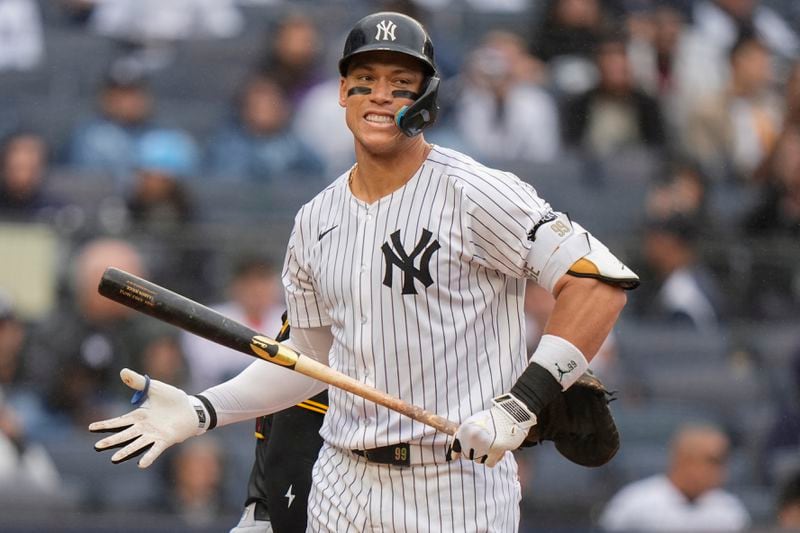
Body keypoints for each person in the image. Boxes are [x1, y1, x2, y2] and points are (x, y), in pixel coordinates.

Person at [90, 12, 638, 532]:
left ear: (427, 96)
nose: (380, 94)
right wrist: (203, 408)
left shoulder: (475, 193)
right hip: (342, 481)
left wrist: (522, 404)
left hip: (455, 486)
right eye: (365, 77)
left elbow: (598, 282)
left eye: (401, 81)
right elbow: (307, 364)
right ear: (341, 91)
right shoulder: (315, 219)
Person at [598, 423, 751, 531]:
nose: (720, 471)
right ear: (684, 459)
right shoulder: (635, 503)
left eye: (722, 462)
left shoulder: (729, 510)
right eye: (712, 461)